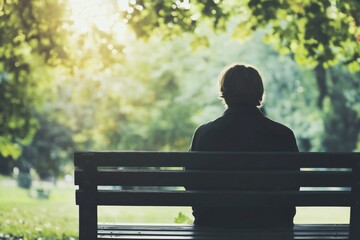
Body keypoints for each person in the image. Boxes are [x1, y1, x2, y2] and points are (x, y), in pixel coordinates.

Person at [189, 63, 299, 228]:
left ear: (224, 94)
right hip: (272, 224)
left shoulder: (205, 134)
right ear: (259, 93)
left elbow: (190, 182)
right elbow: (293, 184)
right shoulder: (283, 134)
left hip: (215, 223)